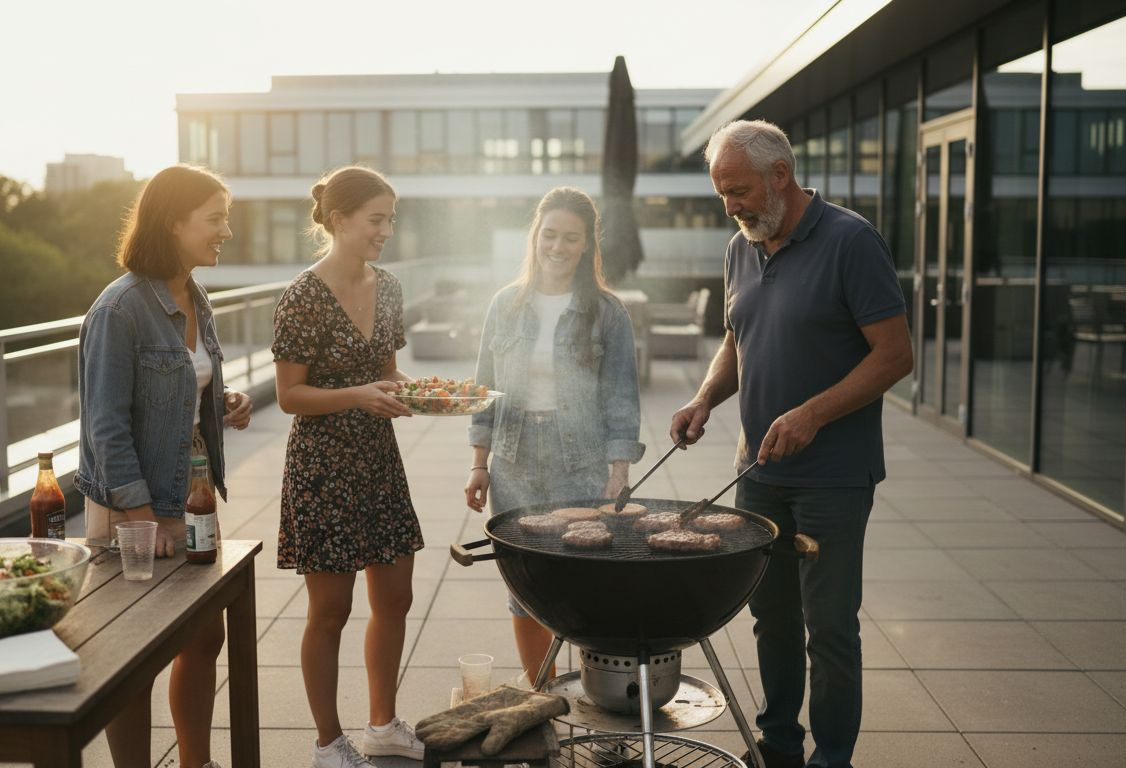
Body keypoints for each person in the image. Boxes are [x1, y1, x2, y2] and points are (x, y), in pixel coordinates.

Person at [670, 120, 912, 768]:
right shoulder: (739, 247)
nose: (733, 206)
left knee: (829, 629)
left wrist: (814, 413)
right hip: (758, 474)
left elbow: (895, 356)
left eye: (740, 190)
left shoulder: (851, 241)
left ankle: (833, 759)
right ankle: (778, 747)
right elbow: (736, 341)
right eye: (723, 195)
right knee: (770, 620)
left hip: (833, 476)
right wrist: (703, 399)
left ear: (781, 175)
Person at [77, 164, 254, 768]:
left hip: (193, 496)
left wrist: (219, 401)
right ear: (173, 222)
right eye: (215, 218)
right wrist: (146, 519)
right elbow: (107, 426)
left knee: (205, 635)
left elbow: (183, 382)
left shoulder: (195, 295)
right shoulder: (119, 309)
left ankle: (195, 764)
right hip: (138, 512)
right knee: (134, 658)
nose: (225, 230)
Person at [272, 165, 426, 768]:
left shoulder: (388, 287)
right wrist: (360, 394)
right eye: (376, 220)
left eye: (390, 219)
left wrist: (428, 395)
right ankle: (328, 744)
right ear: (339, 221)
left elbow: (388, 372)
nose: (386, 230)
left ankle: (383, 724)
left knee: (396, 598)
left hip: (378, 461)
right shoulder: (301, 297)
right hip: (322, 468)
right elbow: (290, 396)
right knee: (329, 612)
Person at [464, 186, 645, 681]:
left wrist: (619, 474)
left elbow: (622, 398)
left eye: (570, 238)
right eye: (550, 235)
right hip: (514, 464)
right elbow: (485, 390)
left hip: (581, 463)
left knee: (587, 587)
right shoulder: (504, 305)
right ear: (535, 237)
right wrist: (479, 464)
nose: (558, 247)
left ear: (587, 244)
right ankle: (541, 699)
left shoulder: (607, 312)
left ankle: (599, 699)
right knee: (525, 591)